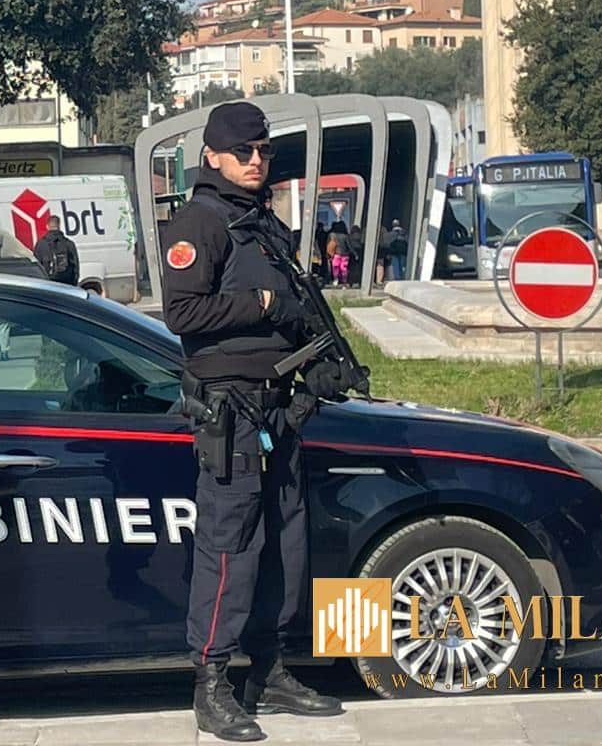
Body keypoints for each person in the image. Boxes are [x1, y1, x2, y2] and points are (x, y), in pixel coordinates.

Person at [160, 102, 344, 741]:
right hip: (230, 413)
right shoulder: (199, 222)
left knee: (286, 544)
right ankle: (211, 684)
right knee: (230, 546)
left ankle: (269, 670)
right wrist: (261, 301)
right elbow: (182, 314)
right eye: (244, 152)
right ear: (212, 156)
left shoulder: (262, 222)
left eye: (264, 151)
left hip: (277, 405)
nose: (257, 161)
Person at [33, 212, 80, 286]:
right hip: (67, 284)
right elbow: (76, 268)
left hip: (48, 284)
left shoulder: (41, 244)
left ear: (47, 226)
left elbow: (36, 267)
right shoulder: (69, 244)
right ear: (59, 225)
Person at [327, 221, 350, 287]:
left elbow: (329, 244)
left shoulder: (332, 235)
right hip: (345, 254)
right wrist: (355, 253)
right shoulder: (345, 236)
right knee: (344, 268)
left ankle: (336, 280)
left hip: (335, 254)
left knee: (335, 268)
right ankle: (344, 281)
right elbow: (349, 245)